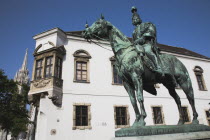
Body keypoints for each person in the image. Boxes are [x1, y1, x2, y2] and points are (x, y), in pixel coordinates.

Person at [131, 6, 163, 76]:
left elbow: (151, 31)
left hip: (146, 44)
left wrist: (143, 37)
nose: (135, 20)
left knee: (148, 51)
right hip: (138, 46)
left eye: (136, 18)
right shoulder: (133, 32)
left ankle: (158, 67)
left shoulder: (146, 24)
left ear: (139, 19)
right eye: (133, 19)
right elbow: (134, 40)